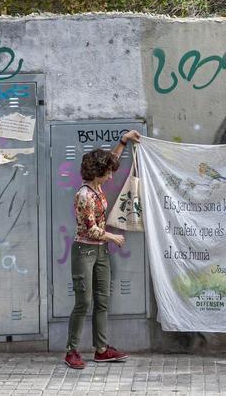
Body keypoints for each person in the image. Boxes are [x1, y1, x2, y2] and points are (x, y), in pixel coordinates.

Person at [63, 129, 140, 370]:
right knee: (83, 302)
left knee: (102, 301)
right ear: (98, 173)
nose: (110, 176)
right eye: (107, 173)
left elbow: (111, 160)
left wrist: (123, 141)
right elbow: (91, 230)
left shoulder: (97, 188)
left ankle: (101, 350)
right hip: (85, 251)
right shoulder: (84, 195)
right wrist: (113, 237)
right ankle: (72, 351)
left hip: (100, 253)